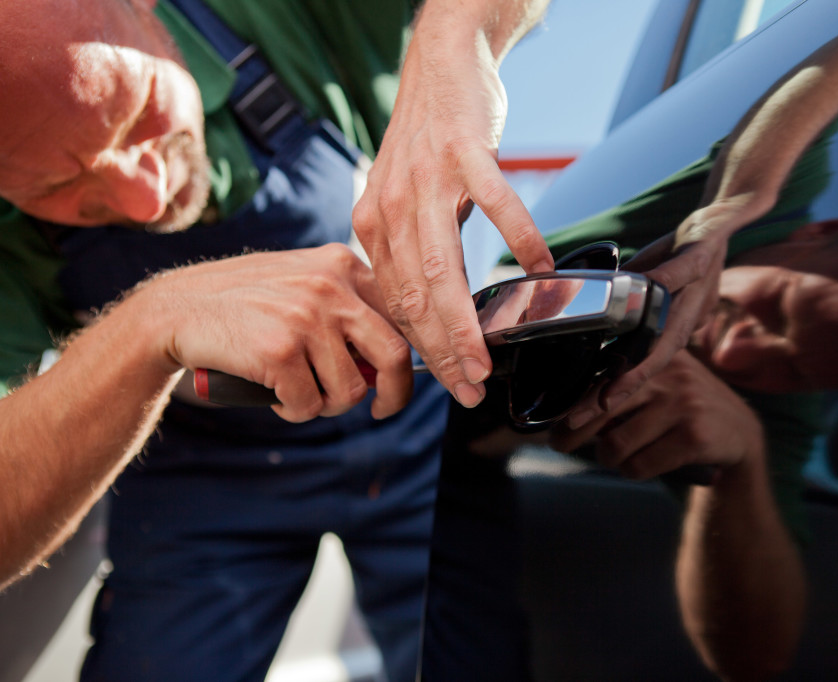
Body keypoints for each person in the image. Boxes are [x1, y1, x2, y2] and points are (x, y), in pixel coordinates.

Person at [421, 16, 838, 681]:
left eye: (799, 369)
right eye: (783, 306)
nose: (746, 348)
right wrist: (732, 202)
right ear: (825, 232)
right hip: (420, 377)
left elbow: (754, 660)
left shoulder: (770, 421)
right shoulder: (778, 194)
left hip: (465, 478)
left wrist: (737, 476)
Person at [0, 0, 549, 680]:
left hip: (418, 423)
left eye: (140, 112)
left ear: (146, 12)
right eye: (60, 185)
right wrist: (150, 319)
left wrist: (451, 52)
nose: (144, 199)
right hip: (200, 480)